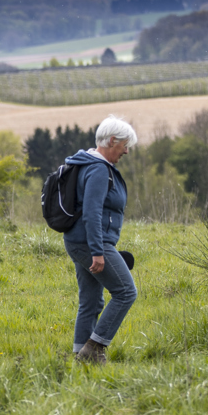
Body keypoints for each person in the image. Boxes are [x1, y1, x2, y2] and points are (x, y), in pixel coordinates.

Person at [63, 115, 138, 365]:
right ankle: (94, 349)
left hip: (78, 241)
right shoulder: (97, 169)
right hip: (91, 243)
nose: (126, 151)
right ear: (112, 140)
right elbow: (92, 213)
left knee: (91, 300)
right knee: (126, 292)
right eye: (124, 145)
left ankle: (79, 355)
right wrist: (97, 251)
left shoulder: (87, 163)